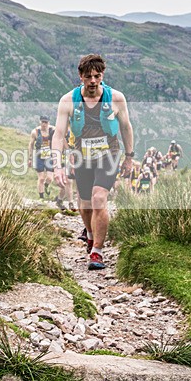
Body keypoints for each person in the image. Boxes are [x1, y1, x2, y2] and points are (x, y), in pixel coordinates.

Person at [52, 54, 134, 270]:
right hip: (81, 156)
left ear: (102, 75)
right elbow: (59, 134)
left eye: (97, 76)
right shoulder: (68, 101)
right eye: (88, 77)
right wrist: (57, 165)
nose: (93, 81)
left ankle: (97, 251)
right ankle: (89, 232)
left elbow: (126, 127)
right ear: (80, 76)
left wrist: (129, 157)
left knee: (99, 197)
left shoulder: (116, 98)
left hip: (109, 154)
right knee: (85, 203)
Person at [29, 115, 55, 201]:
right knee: (41, 178)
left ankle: (46, 185)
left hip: (49, 156)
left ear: (49, 123)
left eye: (46, 122)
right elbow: (31, 145)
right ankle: (41, 198)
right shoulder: (35, 132)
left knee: (50, 178)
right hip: (39, 157)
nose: (44, 124)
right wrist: (30, 158)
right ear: (40, 122)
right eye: (42, 122)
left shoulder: (53, 130)